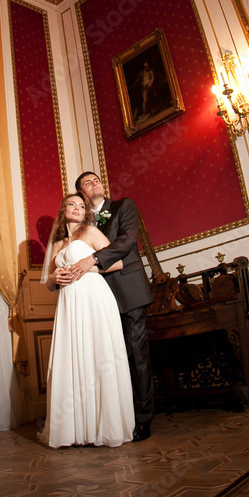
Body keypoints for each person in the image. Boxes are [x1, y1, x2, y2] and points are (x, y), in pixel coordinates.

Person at [39, 192, 135, 448]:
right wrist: (54, 279)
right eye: (72, 204)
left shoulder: (91, 232)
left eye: (82, 206)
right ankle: (76, 429)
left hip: (94, 296)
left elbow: (117, 264)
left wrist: (86, 266)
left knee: (97, 353)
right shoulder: (58, 245)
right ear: (63, 210)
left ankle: (105, 426)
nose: (77, 208)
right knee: (74, 356)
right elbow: (49, 284)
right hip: (69, 302)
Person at [66, 172, 155, 441]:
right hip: (97, 300)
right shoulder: (82, 220)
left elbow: (127, 241)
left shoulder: (123, 206)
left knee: (136, 355)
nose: (95, 183)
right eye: (87, 182)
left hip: (129, 290)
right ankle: (115, 418)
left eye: (97, 179)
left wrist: (92, 259)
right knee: (108, 359)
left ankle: (143, 419)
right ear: (81, 193)